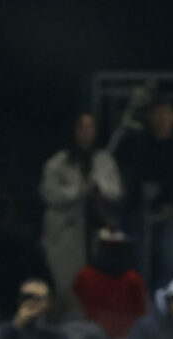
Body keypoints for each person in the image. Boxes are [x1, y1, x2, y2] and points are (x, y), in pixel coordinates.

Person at [116, 99, 173, 287]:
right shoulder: (136, 145)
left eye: (166, 114)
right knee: (136, 258)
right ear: (149, 117)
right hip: (139, 215)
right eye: (157, 114)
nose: (161, 119)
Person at [39, 113, 124, 298]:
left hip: (96, 228)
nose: (86, 132)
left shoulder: (104, 160)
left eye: (90, 127)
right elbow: (49, 194)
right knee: (67, 282)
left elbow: (116, 191)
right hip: (67, 229)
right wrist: (78, 190)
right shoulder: (57, 162)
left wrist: (99, 185)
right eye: (81, 127)